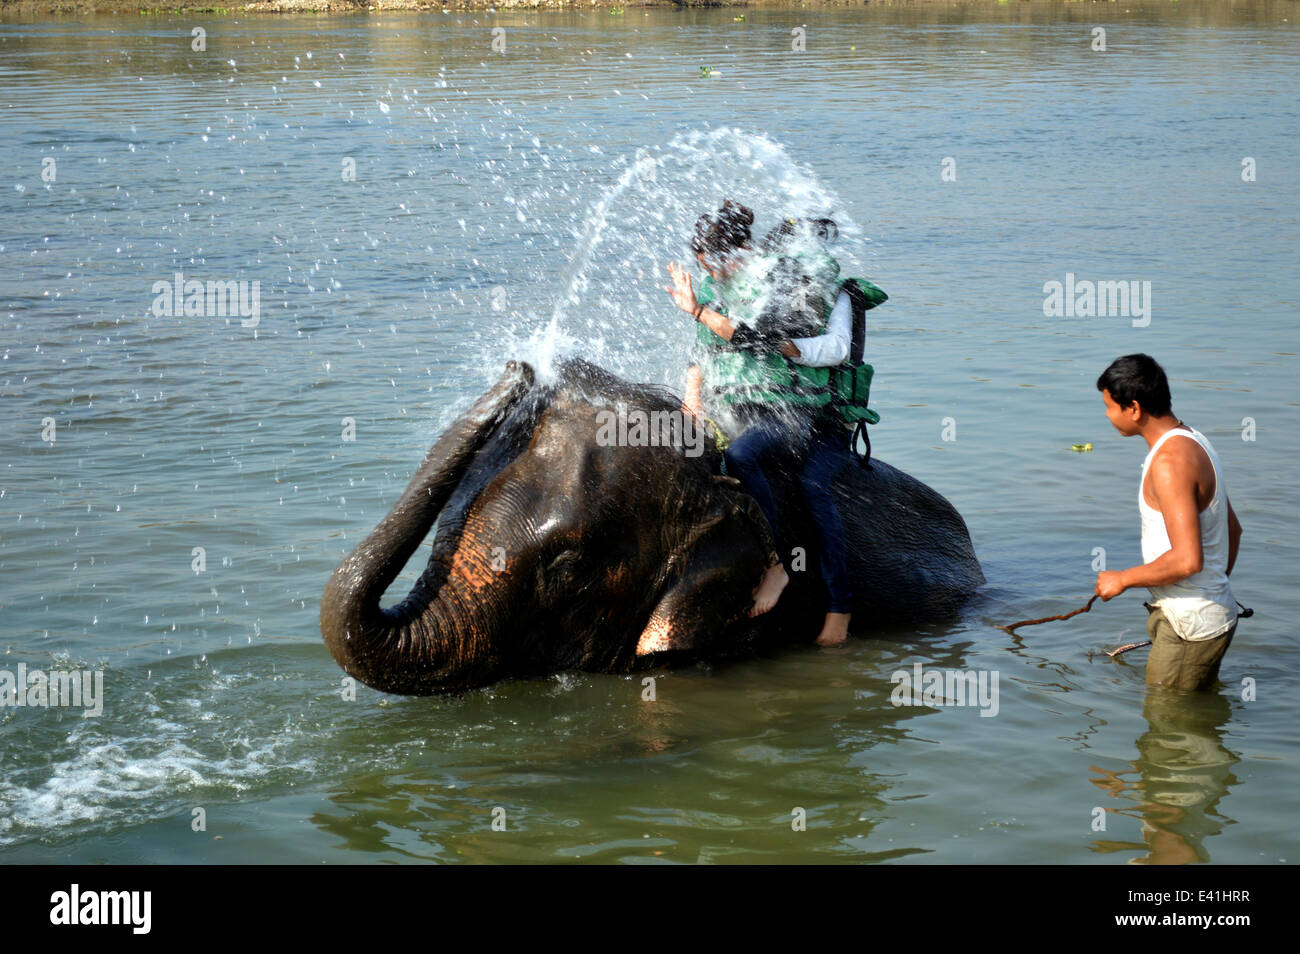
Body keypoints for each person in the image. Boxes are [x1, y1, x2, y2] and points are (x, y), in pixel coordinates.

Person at [665, 201, 857, 646]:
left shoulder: (789, 282)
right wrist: (692, 405)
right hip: (746, 410)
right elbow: (700, 355)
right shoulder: (720, 291)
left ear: (742, 252)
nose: (711, 274)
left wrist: (697, 311)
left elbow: (761, 337)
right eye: (704, 266)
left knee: (746, 458)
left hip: (802, 415)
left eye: (714, 263)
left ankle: (782, 571)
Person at [1094, 354, 1244, 690]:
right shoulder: (1194, 440)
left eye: (1108, 406)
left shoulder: (1169, 462)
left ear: (1133, 408)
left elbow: (1187, 559)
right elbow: (1233, 529)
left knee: (1164, 730)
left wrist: (1122, 578)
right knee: (1188, 729)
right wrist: (1213, 591)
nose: (1106, 415)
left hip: (1189, 627)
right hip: (1209, 618)